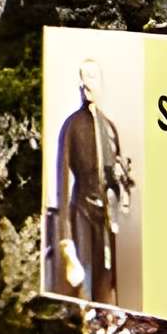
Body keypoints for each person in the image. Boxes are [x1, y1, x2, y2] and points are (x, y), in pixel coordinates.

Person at [54, 66, 135, 305]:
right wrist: (66, 241)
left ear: (100, 82)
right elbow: (62, 182)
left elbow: (119, 178)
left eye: (90, 77)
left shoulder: (109, 128)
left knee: (107, 282)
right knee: (82, 279)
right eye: (82, 77)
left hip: (107, 216)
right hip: (81, 209)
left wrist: (123, 198)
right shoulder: (71, 126)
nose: (85, 83)